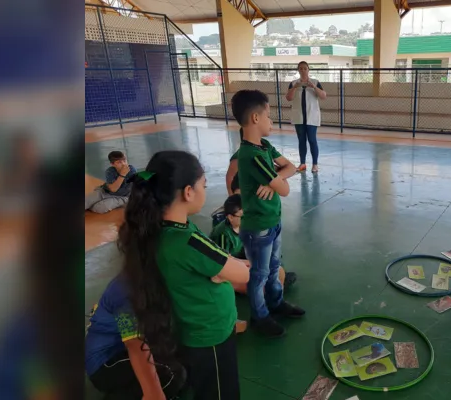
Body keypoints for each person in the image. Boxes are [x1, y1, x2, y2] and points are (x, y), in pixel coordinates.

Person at [118, 151, 248, 399]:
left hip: (189, 332)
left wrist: (223, 270)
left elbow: (222, 263)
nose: (205, 190)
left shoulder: (162, 229)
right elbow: (242, 275)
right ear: (188, 192)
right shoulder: (186, 241)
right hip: (210, 337)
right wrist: (227, 269)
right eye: (204, 185)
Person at [232, 89, 305, 338]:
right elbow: (284, 190)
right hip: (258, 228)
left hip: (272, 221)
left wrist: (272, 180)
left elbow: (291, 167)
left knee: (274, 267)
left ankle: (276, 303)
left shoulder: (264, 145)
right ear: (255, 118)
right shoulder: (252, 155)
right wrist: (276, 180)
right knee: (259, 274)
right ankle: (259, 316)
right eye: (269, 116)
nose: (272, 121)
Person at [85, 275, 187, 399]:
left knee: (180, 360)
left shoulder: (152, 281)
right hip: (106, 361)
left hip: (124, 351)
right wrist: (153, 392)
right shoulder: (124, 289)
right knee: (172, 374)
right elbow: (135, 345)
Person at [210, 194, 298, 293]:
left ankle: (272, 280)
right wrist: (246, 263)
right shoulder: (222, 235)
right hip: (230, 261)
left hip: (241, 254)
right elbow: (223, 262)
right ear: (230, 217)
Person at [285, 61, 326, 173]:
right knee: (301, 140)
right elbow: (288, 98)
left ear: (308, 70)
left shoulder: (315, 82)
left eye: (305, 68)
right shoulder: (293, 83)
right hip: (299, 117)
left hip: (312, 116)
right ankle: (302, 163)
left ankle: (315, 164)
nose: (303, 70)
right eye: (301, 68)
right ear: (298, 70)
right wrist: (295, 87)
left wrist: (314, 87)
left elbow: (323, 96)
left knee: (312, 139)